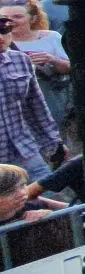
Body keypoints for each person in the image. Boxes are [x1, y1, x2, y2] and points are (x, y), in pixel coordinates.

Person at [0, 13, 61, 181]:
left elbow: (36, 105)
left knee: (49, 196)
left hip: (24, 149)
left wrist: (53, 141)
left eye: (5, 30)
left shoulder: (20, 60)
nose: (2, 37)